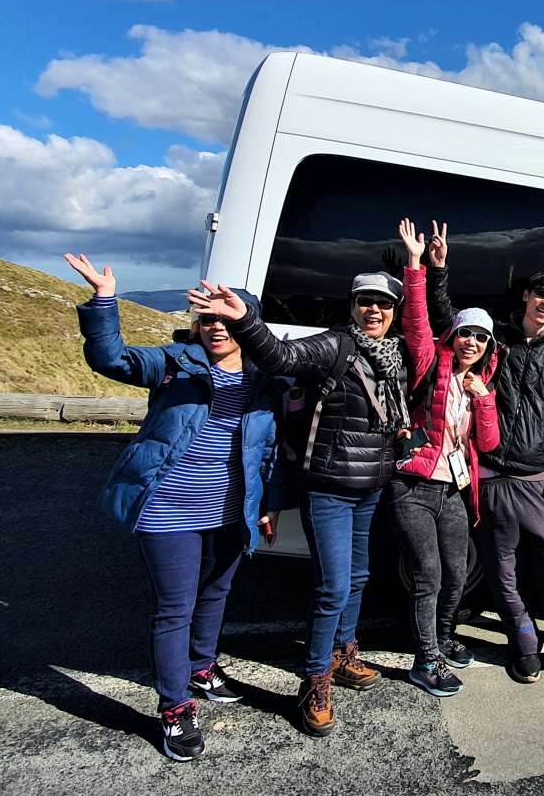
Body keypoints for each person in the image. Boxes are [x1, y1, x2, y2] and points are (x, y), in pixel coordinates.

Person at [65, 253, 284, 763]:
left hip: (231, 511)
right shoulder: (174, 363)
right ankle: (174, 706)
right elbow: (111, 358)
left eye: (225, 318)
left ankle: (202, 668)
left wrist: (268, 505)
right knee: (174, 609)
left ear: (245, 325)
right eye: (205, 319)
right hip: (169, 509)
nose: (214, 328)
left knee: (216, 592)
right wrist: (104, 300)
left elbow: (269, 450)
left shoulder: (266, 381)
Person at [188, 245, 414, 738]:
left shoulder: (395, 358)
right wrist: (246, 320)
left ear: (394, 312)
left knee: (358, 576)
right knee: (333, 585)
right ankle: (314, 680)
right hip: (328, 487)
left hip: (370, 485)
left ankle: (343, 654)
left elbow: (424, 322)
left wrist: (422, 269)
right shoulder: (333, 345)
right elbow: (278, 355)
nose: (373, 310)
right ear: (350, 307)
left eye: (383, 304)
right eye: (364, 302)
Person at [438, 261, 544, 691]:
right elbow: (448, 326)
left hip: (536, 479)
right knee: (502, 572)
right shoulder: (497, 342)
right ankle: (524, 645)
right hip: (492, 475)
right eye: (542, 294)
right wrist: (436, 271)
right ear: (526, 297)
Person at [390, 220, 501, 698]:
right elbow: (416, 322)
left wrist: (484, 399)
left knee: (458, 573)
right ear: (453, 337)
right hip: (414, 485)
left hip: (454, 489)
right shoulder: (429, 364)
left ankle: (445, 636)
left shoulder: (481, 386)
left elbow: (490, 445)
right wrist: (416, 264)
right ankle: (425, 660)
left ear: (488, 347)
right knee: (429, 574)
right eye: (464, 334)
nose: (471, 342)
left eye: (480, 337)